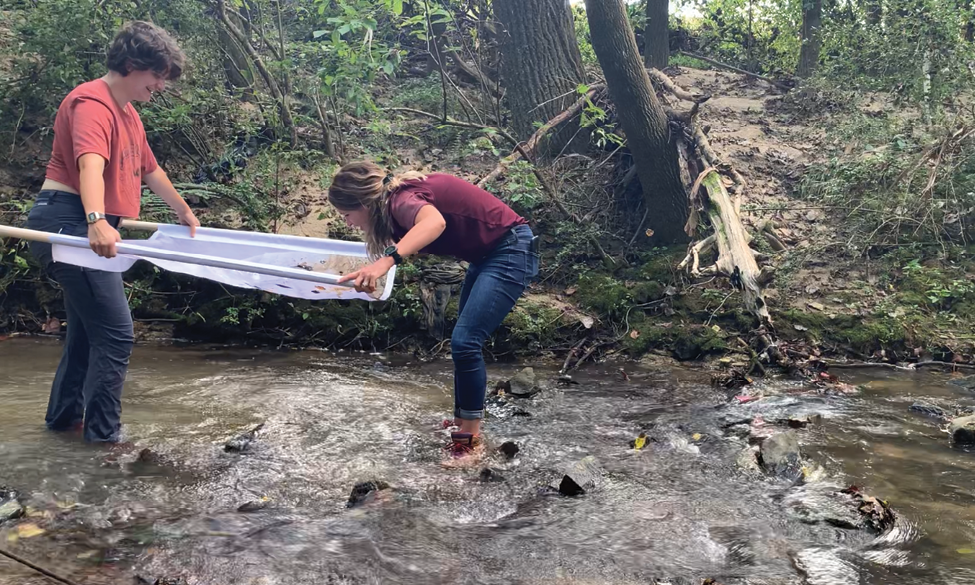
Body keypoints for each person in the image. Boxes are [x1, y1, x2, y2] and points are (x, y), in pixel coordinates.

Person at [24, 21, 200, 444]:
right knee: (117, 334)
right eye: (156, 75)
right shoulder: (91, 102)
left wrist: (183, 211)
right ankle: (104, 443)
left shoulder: (128, 114)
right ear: (131, 65)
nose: (160, 85)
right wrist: (96, 220)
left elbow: (151, 170)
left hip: (84, 220)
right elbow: (90, 163)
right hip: (69, 220)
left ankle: (63, 426)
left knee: (87, 335)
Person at [327, 161, 539, 465]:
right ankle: (461, 424)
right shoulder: (395, 204)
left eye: (346, 215)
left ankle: (469, 442)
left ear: (362, 203)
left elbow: (434, 223)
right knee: (463, 344)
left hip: (510, 249)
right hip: (488, 255)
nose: (348, 223)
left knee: (465, 343)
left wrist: (385, 262)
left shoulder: (401, 198)